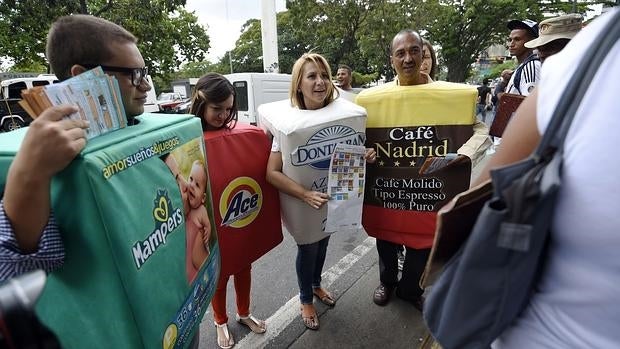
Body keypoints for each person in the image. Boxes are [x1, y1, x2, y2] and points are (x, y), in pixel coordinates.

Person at [472, 9, 620, 347]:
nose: (544, 55)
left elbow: (482, 193)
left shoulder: (578, 60)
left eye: (554, 47)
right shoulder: (582, 56)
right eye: (543, 47)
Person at [0, 14, 151, 281]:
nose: (147, 85)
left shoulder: (140, 126)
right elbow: (17, 272)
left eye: (145, 72)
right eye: (135, 74)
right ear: (85, 76)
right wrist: (29, 174)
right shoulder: (45, 157)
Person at [363, 30, 490, 310]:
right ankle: (387, 282)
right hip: (387, 193)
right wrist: (363, 152)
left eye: (414, 51)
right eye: (401, 53)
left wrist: (462, 154)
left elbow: (482, 132)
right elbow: (355, 140)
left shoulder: (450, 97)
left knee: (423, 245)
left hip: (432, 194)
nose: (408, 58)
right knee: (385, 239)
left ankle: (410, 290)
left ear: (423, 55)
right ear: (392, 60)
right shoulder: (371, 102)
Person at [265, 53, 376, 330]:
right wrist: (304, 194)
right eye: (312, 76)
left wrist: (364, 155)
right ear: (298, 84)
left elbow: (346, 153)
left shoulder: (344, 114)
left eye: (324, 75)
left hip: (334, 196)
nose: (320, 82)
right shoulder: (287, 124)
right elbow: (271, 173)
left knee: (323, 242)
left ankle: (316, 285)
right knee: (308, 246)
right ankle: (305, 299)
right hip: (304, 200)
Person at [189, 73, 267, 349]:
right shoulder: (187, 138)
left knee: (243, 265)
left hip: (237, 216)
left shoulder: (240, 134)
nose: (223, 115)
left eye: (228, 109)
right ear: (200, 103)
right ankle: (219, 321)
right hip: (211, 221)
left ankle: (243, 313)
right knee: (219, 275)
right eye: (217, 109)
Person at [505, 19, 541, 96]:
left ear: (532, 41)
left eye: (517, 39)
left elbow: (529, 102)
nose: (511, 44)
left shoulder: (531, 66)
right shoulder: (524, 66)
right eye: (510, 39)